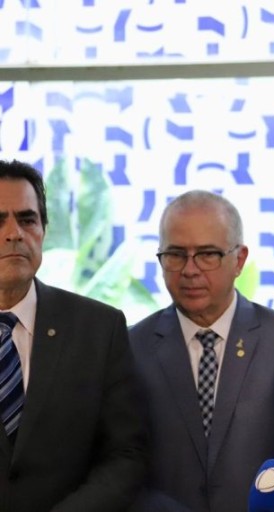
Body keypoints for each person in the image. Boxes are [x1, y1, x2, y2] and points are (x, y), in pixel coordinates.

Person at [129, 190, 274, 511]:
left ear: (239, 259)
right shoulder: (132, 347)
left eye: (207, 254)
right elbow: (120, 465)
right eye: (175, 254)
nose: (190, 270)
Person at [0, 159, 147, 511]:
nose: (14, 233)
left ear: (43, 230)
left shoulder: (99, 329)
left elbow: (126, 454)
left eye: (27, 219)